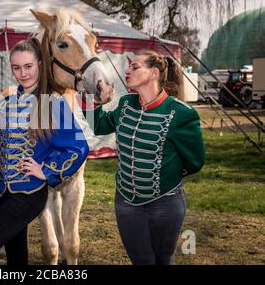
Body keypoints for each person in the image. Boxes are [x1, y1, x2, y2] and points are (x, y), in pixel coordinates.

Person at [0, 38, 89, 265]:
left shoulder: (52, 102)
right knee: (16, 257)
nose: (22, 73)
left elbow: (78, 146)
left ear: (40, 66)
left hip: (29, 193)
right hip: (4, 192)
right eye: (16, 67)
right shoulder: (5, 103)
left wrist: (47, 170)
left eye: (28, 66)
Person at [86, 49, 205, 265]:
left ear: (153, 74)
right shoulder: (125, 104)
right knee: (141, 260)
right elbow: (99, 126)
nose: (127, 70)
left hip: (166, 202)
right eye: (128, 66)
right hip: (126, 201)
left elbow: (195, 161)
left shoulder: (182, 113)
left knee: (163, 260)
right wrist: (93, 101)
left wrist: (164, 174)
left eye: (135, 67)